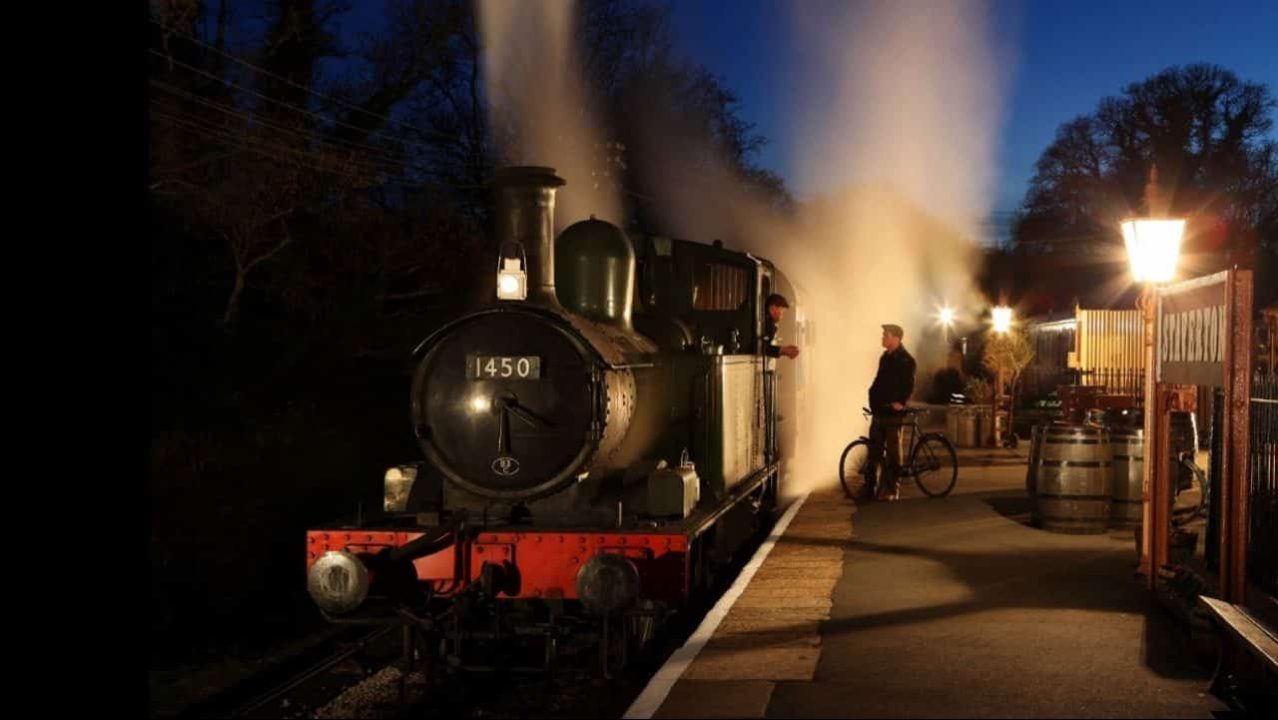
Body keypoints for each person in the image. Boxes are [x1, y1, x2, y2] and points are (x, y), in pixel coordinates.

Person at [863, 323, 916, 501]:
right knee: (874, 451)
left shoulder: (906, 360)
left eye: (886, 335)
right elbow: (878, 381)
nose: (883, 337)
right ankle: (870, 487)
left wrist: (900, 402)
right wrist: (872, 396)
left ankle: (892, 488)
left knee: (893, 452)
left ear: (896, 338)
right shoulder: (885, 357)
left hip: (893, 413)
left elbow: (909, 385)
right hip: (880, 409)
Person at [763, 294, 800, 360]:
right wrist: (783, 350)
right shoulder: (766, 325)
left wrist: (783, 350)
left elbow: (763, 347)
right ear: (772, 308)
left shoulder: (768, 324)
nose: (782, 316)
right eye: (782, 311)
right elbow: (760, 348)